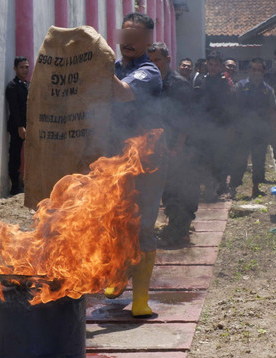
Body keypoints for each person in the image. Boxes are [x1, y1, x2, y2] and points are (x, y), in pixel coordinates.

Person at [105, 12, 165, 318]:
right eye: (125, 35)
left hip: (146, 164)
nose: (129, 43)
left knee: (142, 227)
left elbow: (122, 93)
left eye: (137, 38)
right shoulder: (114, 68)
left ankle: (141, 298)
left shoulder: (148, 71)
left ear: (147, 42)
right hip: (116, 159)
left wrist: (95, 66)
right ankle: (118, 274)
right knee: (114, 222)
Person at [148, 43, 199, 245]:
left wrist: (178, 147)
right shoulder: (151, 83)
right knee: (168, 190)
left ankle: (179, 233)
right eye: (150, 61)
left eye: (157, 60)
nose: (153, 65)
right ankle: (176, 229)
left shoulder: (179, 85)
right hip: (162, 145)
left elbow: (186, 120)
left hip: (181, 146)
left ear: (168, 61)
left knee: (180, 190)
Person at [230, 58, 276, 198]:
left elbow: (272, 111)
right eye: (254, 69)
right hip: (242, 130)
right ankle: (233, 188)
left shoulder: (267, 90)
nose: (256, 72)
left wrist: (273, 130)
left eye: (259, 70)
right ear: (249, 71)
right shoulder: (240, 86)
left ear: (263, 72)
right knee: (239, 160)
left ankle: (256, 188)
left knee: (259, 161)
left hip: (260, 132)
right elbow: (233, 109)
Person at [199, 50, 236, 200]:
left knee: (219, 159)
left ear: (221, 66)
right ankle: (208, 187)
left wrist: (230, 128)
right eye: (210, 64)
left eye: (216, 65)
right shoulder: (201, 81)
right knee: (206, 158)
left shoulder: (225, 83)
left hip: (221, 127)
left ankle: (219, 186)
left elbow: (231, 107)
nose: (213, 68)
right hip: (205, 127)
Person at [5, 56, 29, 195]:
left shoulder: (28, 85)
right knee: (15, 155)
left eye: (26, 67)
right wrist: (20, 126)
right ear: (15, 69)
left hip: (29, 125)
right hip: (17, 126)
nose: (25, 69)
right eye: (22, 67)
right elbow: (14, 109)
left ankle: (25, 183)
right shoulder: (12, 86)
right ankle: (14, 186)